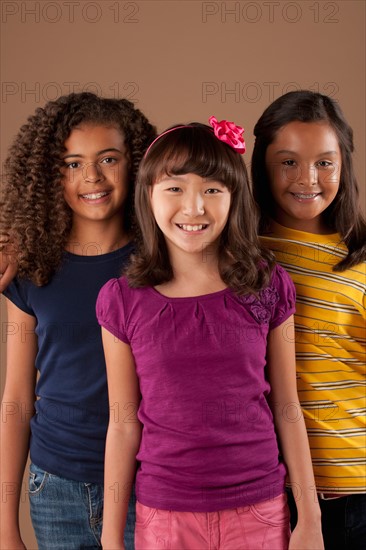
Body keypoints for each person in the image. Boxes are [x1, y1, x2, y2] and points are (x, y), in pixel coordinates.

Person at [96, 117, 324, 550]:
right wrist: (110, 539)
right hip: (164, 515)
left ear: (234, 197)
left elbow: (287, 404)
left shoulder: (268, 285)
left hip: (259, 508)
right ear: (149, 195)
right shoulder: (122, 300)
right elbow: (123, 423)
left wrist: (309, 517)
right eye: (175, 188)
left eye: (213, 190)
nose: (194, 207)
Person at [0, 92, 156, 550]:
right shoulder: (29, 268)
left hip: (145, 480)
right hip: (55, 486)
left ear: (136, 164)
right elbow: (16, 398)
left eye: (109, 158)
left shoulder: (161, 260)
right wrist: (7, 529)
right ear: (50, 176)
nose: (92, 176)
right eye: (72, 163)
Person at [251, 90, 366, 549]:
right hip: (268, 490)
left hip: (357, 489)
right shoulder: (237, 252)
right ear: (262, 165)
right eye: (288, 162)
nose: (307, 179)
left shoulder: (360, 260)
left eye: (324, 162)